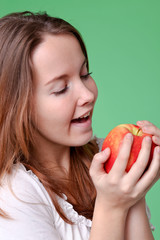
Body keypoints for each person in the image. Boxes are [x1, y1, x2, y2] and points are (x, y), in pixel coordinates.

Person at [0, 11, 159, 240]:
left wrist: (134, 189)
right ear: (17, 106)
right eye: (61, 88)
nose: (87, 95)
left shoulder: (106, 157)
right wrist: (112, 207)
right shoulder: (13, 196)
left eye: (85, 74)